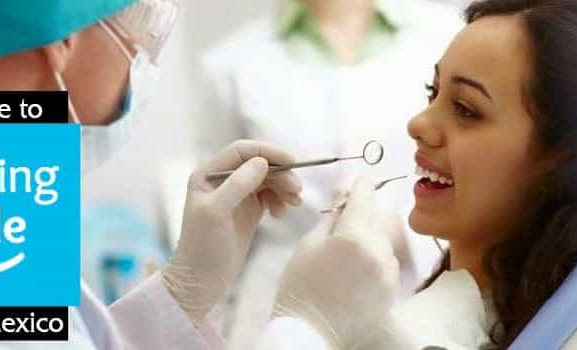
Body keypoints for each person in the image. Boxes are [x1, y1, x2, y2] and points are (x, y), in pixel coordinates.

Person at [0, 0, 400, 349]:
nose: (142, 66)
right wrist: (305, 330)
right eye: (141, 37)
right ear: (61, 41)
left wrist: (180, 295)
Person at [310, 0, 577, 348]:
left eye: (465, 109)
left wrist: (307, 321)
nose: (417, 124)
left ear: (561, 156)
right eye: (433, 92)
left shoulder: (408, 337)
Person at [197, 0, 463, 344]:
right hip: (275, 307)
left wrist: (402, 233)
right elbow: (225, 221)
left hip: (412, 294)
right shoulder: (229, 64)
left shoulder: (446, 36)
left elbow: (483, 185)